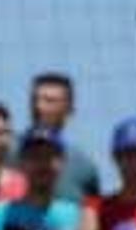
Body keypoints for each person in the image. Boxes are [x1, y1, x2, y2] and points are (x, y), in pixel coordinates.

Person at [22, 71, 99, 202]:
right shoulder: (6, 153)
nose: (39, 107)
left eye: (49, 101)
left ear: (69, 108)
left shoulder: (84, 167)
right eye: (35, 100)